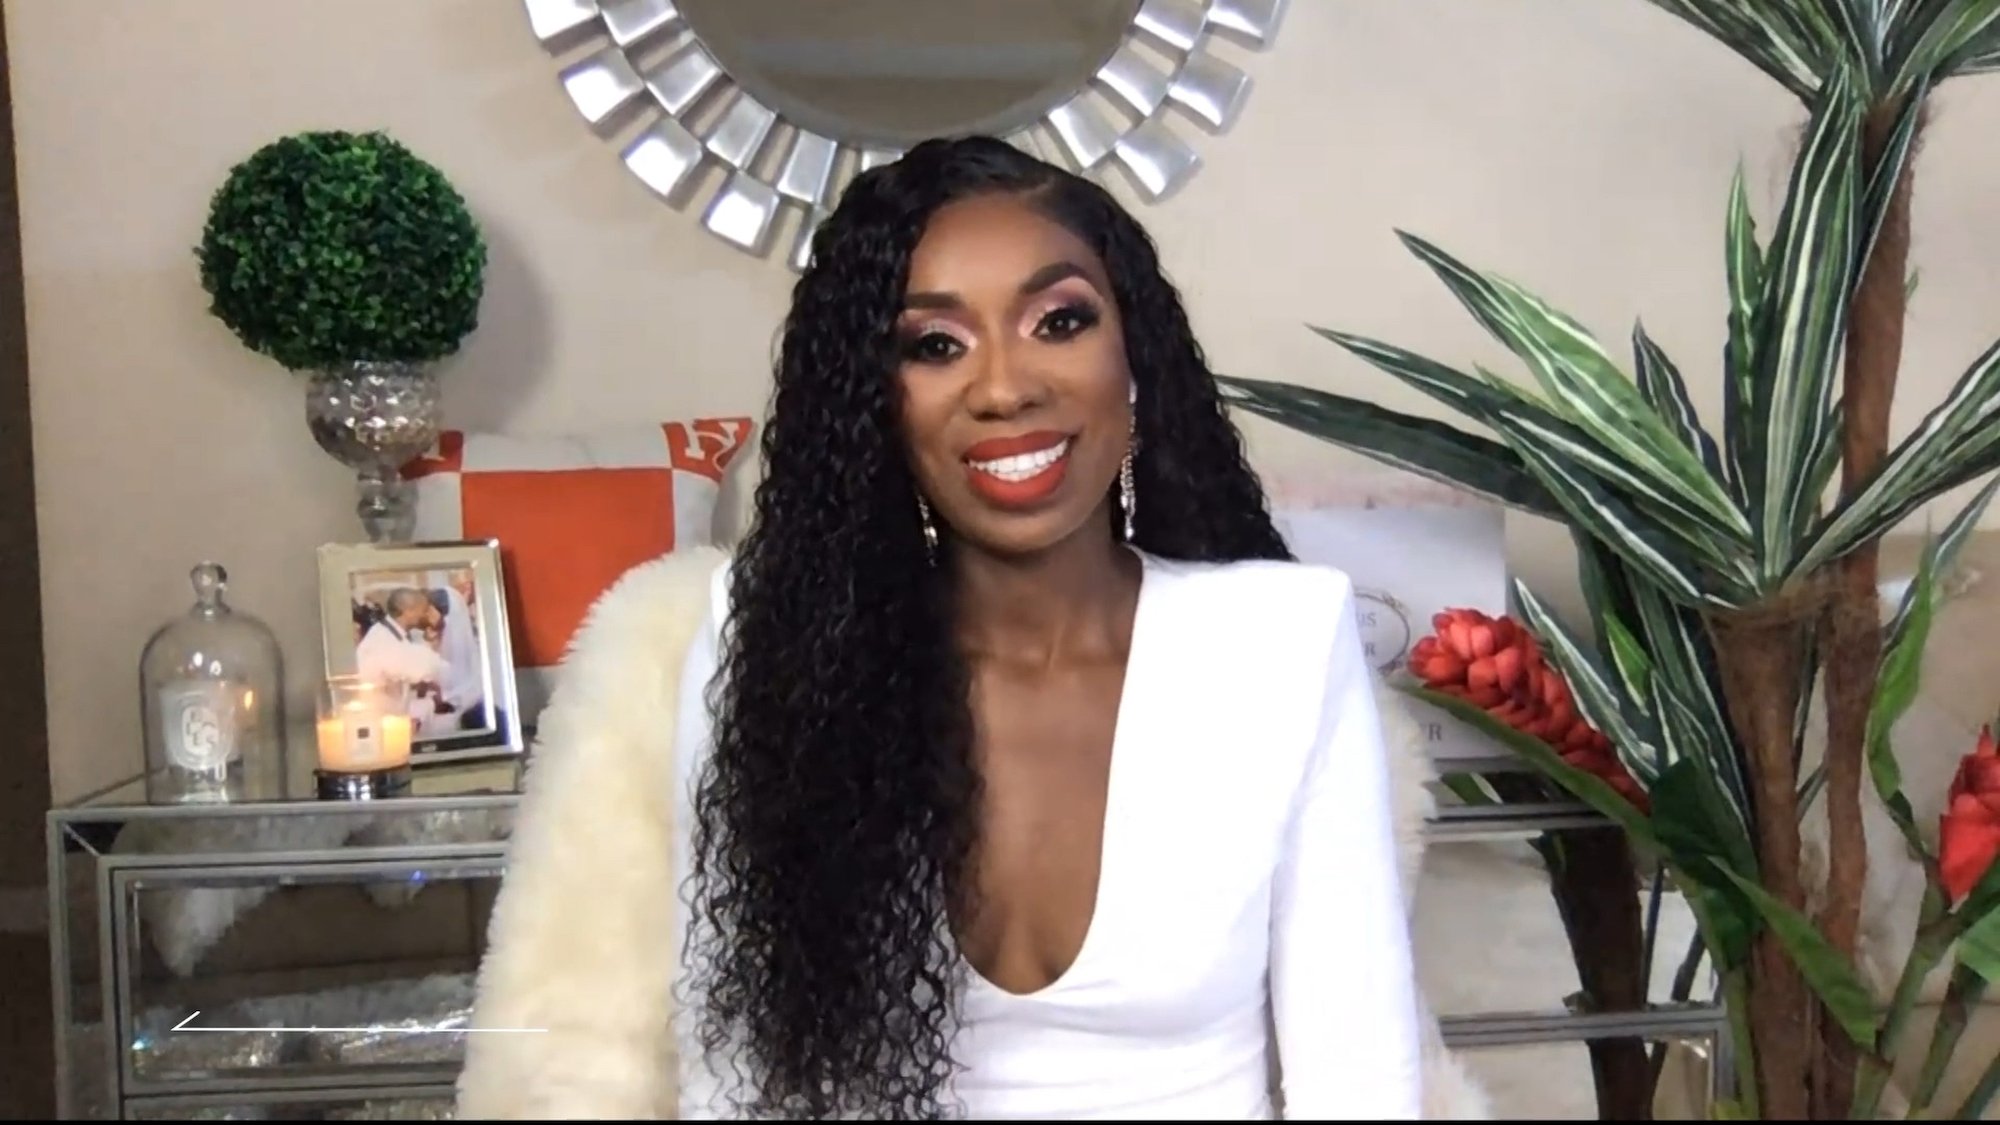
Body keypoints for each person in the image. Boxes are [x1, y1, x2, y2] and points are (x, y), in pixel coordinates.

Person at [665, 135, 1424, 1120]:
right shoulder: (770, 641)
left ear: (1132, 355)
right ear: (872, 407)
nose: (1003, 387)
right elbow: (733, 1079)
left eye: (1057, 321)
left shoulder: (1281, 641)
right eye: (933, 344)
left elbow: (1355, 1079)